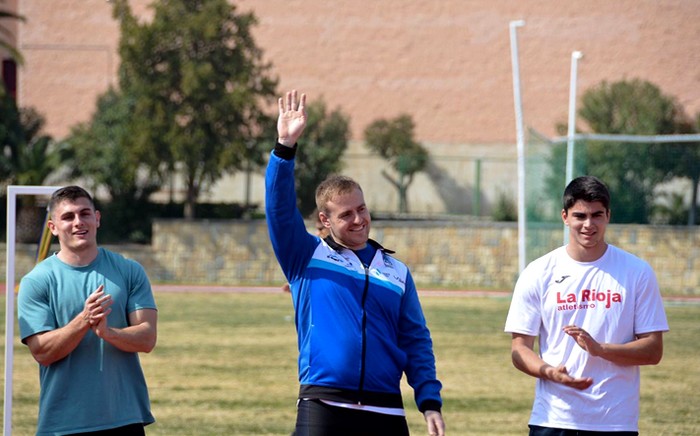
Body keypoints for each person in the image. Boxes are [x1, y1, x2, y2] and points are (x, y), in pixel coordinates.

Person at [266, 90, 445, 436]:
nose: (359, 219)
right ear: (325, 219)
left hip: (386, 408)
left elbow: (415, 339)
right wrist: (284, 148)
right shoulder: (306, 256)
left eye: (362, 209)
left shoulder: (396, 272)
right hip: (324, 405)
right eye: (346, 214)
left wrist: (429, 400)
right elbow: (279, 211)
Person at [504, 175, 669, 435]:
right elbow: (519, 349)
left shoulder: (637, 272)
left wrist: (600, 349)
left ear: (608, 216)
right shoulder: (538, 272)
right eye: (580, 215)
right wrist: (550, 373)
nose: (588, 224)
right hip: (553, 419)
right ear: (565, 217)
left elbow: (653, 350)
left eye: (597, 215)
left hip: (615, 421)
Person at [18, 185, 158, 435]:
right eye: (68, 216)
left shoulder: (129, 271)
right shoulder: (37, 281)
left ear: (97, 218)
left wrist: (108, 332)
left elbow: (147, 338)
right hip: (63, 424)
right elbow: (42, 352)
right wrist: (84, 321)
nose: (78, 222)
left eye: (84, 213)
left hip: (124, 419)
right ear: (52, 227)